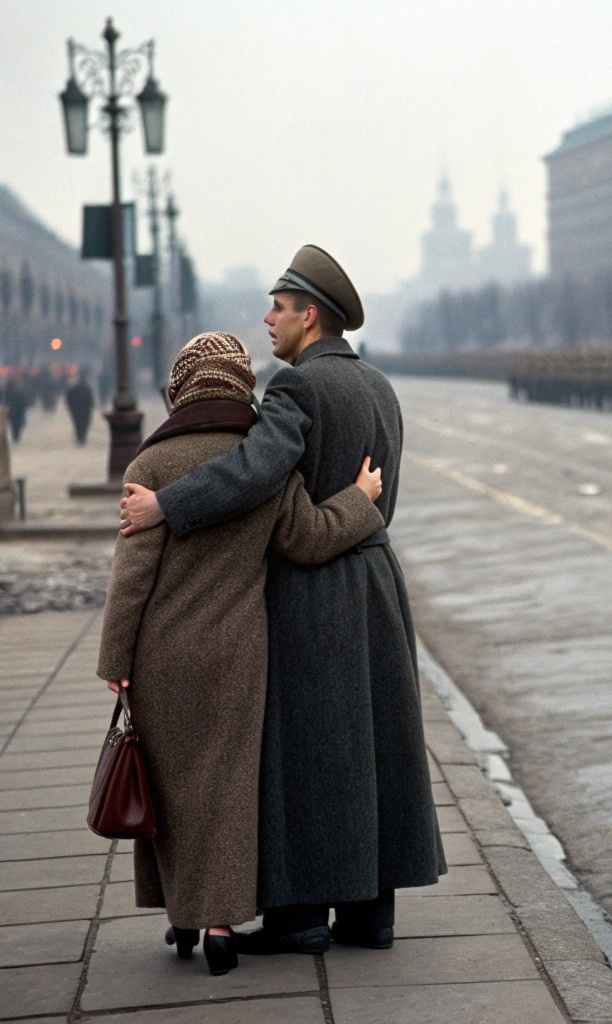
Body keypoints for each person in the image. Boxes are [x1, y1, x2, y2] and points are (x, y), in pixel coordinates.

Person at [119, 245, 446, 955]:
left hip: (315, 589)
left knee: (310, 755)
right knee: (371, 751)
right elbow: (381, 497)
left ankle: (299, 919)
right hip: (376, 584)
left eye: (279, 307)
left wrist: (167, 506)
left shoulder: (296, 389)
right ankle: (371, 917)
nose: (268, 319)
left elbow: (252, 471)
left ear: (312, 316)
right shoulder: (380, 387)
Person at [98, 332, 385, 975]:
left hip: (159, 659)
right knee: (224, 790)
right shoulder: (262, 462)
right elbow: (308, 539)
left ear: (182, 385)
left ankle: (183, 916)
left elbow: (131, 582)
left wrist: (114, 662)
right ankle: (224, 926)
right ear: (240, 385)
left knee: (169, 788)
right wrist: (360, 502)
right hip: (238, 656)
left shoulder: (150, 467)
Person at [65, 369, 95, 445]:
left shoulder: (83, 388)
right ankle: (81, 438)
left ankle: (81, 438)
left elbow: (69, 399)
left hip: (80, 410)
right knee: (82, 424)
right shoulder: (83, 388)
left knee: (79, 424)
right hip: (82, 410)